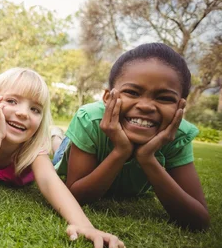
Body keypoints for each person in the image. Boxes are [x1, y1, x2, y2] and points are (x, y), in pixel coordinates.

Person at [0, 68, 126, 248]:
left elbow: (50, 181)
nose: (24, 113)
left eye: (35, 109)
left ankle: (56, 136)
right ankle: (55, 136)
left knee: (59, 154)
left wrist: (85, 226)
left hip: (46, 149)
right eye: (11, 101)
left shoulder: (32, 148)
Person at [55, 43, 210, 230]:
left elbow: (199, 220)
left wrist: (147, 159)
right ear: (107, 98)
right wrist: (121, 151)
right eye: (132, 92)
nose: (145, 106)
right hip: (69, 150)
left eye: (164, 98)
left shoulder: (179, 136)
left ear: (180, 106)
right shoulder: (90, 119)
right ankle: (55, 135)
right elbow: (76, 196)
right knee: (59, 148)